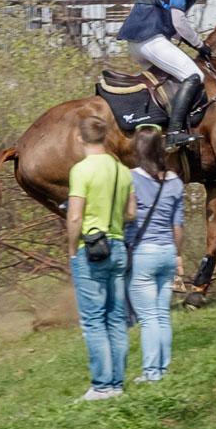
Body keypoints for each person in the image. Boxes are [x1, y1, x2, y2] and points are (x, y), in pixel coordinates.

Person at [117, 0, 212, 151]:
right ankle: (175, 134)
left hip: (135, 41)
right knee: (194, 75)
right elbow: (178, 20)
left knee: (167, 82)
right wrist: (200, 45)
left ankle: (157, 129)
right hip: (152, 40)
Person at [66, 115, 136, 402]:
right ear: (105, 137)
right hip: (118, 247)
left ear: (80, 138)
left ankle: (102, 386)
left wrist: (72, 249)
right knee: (116, 318)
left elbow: (74, 216)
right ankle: (117, 384)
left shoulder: (81, 171)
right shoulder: (123, 171)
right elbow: (132, 213)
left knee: (94, 320)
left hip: (91, 250)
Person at [126, 124, 186, 382]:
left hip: (143, 254)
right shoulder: (175, 181)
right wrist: (177, 255)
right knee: (162, 315)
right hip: (167, 254)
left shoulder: (131, 178)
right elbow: (178, 226)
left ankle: (151, 374)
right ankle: (161, 369)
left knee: (148, 316)